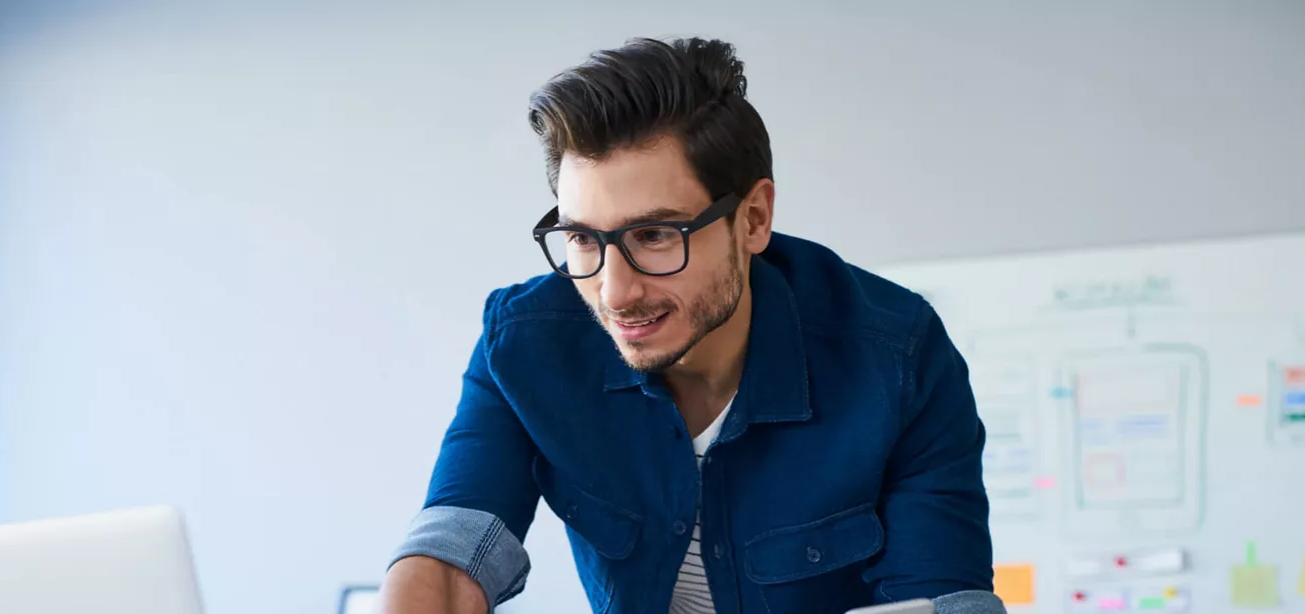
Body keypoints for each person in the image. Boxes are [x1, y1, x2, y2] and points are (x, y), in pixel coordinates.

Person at [379, 36, 1005, 614]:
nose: (614, 291)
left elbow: (939, 599)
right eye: (581, 238)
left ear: (754, 219)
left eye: (655, 236)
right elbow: (453, 549)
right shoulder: (523, 342)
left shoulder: (899, 357)